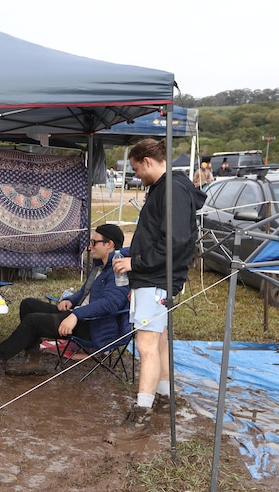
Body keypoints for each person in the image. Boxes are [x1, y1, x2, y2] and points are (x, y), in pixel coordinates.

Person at [108, 138, 206, 443]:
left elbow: (175, 241)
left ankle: (141, 416)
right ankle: (165, 398)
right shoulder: (165, 188)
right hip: (151, 279)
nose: (137, 177)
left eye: (137, 170)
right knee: (159, 342)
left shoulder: (172, 189)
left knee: (147, 347)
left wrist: (135, 263)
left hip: (156, 279)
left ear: (148, 161)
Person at [0, 224, 130, 378]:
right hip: (80, 315)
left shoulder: (118, 271)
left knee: (34, 321)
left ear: (109, 244)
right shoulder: (100, 267)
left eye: (95, 242)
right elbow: (85, 292)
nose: (90, 246)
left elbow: (110, 303)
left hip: (93, 324)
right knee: (28, 304)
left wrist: (75, 315)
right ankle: (32, 359)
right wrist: (71, 301)